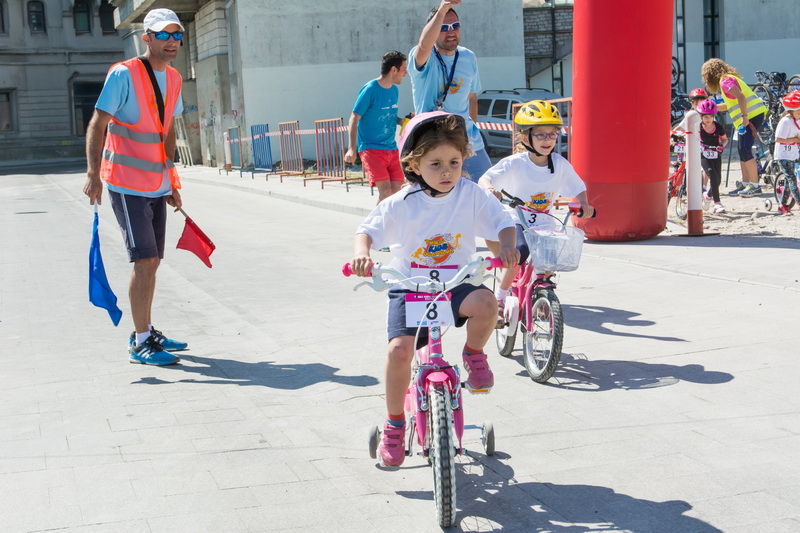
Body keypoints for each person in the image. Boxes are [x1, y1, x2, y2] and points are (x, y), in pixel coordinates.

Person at [350, 112, 518, 466]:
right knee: (399, 352)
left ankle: (474, 354)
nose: (447, 172)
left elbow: (503, 220)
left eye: (454, 163)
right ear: (413, 164)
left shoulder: (470, 194)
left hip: (456, 283)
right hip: (411, 285)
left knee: (487, 303)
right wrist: (362, 254)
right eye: (436, 163)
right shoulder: (402, 203)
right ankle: (395, 424)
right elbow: (366, 231)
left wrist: (506, 245)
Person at [83, 8, 188, 366]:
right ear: (147, 38)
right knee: (144, 260)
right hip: (126, 182)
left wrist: (171, 180)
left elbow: (168, 130)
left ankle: (146, 331)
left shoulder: (173, 79)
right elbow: (99, 122)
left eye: (177, 35)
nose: (171, 41)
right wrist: (93, 174)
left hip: (156, 183)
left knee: (154, 260)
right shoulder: (123, 74)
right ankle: (140, 342)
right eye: (163, 35)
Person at [478, 101, 593, 325]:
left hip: (544, 222)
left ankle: (542, 293)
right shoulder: (515, 163)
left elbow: (578, 187)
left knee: (552, 257)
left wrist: (584, 205)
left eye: (553, 134)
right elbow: (485, 178)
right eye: (540, 134)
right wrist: (490, 189)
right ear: (524, 137)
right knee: (518, 253)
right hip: (515, 219)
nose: (548, 140)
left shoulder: (559, 164)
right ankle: (500, 298)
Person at [408, 0, 491, 182]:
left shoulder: (468, 57)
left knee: (487, 194)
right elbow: (423, 45)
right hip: (434, 143)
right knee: (441, 201)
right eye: (444, 27)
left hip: (469, 144)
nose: (451, 31)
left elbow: (472, 98)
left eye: (455, 26)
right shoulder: (424, 57)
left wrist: (467, 135)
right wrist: (443, 7)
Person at [344, 51, 409, 204]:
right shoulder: (370, 89)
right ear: (394, 70)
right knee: (386, 192)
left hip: (391, 149)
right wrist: (351, 148)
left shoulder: (394, 90)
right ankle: (373, 227)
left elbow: (390, 116)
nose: (406, 73)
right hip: (371, 148)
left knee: (397, 194)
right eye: (403, 69)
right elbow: (354, 117)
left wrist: (404, 121)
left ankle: (389, 226)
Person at [701, 58, 768, 198]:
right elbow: (728, 105)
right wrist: (705, 108)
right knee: (742, 151)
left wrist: (744, 118)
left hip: (749, 117)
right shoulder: (728, 80)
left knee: (745, 150)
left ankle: (755, 186)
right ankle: (745, 184)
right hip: (751, 116)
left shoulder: (725, 81)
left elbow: (741, 97)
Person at [696, 99, 729, 214]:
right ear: (701, 117)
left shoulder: (718, 127)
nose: (708, 119)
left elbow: (725, 139)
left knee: (718, 180)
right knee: (712, 175)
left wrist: (722, 146)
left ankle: (707, 196)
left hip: (716, 155)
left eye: (710, 116)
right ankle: (717, 204)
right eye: (705, 117)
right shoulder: (698, 127)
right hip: (704, 156)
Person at [773, 91, 800, 214]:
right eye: (799, 111)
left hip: (793, 154)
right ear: (791, 111)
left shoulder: (797, 120)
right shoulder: (785, 121)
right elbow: (778, 139)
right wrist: (794, 140)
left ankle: (782, 205)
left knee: (790, 181)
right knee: (792, 178)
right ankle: (799, 202)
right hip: (783, 154)